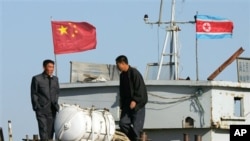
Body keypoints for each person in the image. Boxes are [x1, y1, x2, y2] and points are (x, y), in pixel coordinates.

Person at [115, 55, 148, 141]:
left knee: (137, 129)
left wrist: (135, 100)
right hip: (127, 105)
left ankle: (136, 138)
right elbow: (122, 92)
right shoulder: (122, 76)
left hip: (138, 106)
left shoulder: (134, 73)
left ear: (123, 63)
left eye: (118, 64)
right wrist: (122, 106)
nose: (117, 67)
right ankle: (133, 138)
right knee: (123, 123)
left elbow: (140, 89)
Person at [31, 59, 60, 141]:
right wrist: (37, 107)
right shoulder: (37, 79)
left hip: (52, 110)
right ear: (44, 67)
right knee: (43, 130)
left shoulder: (55, 79)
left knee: (51, 132)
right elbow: (34, 94)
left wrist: (56, 103)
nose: (51, 69)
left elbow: (57, 92)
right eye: (49, 67)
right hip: (42, 110)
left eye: (53, 67)